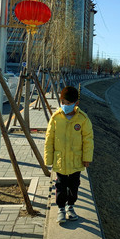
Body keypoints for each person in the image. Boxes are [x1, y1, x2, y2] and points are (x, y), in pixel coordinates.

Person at [44, 86, 94, 224]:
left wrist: (86, 158)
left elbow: (88, 140)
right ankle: (60, 209)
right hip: (60, 160)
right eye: (63, 102)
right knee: (60, 185)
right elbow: (49, 139)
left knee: (74, 185)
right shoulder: (56, 118)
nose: (65, 106)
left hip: (75, 161)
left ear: (76, 103)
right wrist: (48, 158)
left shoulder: (83, 119)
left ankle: (70, 207)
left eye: (68, 103)